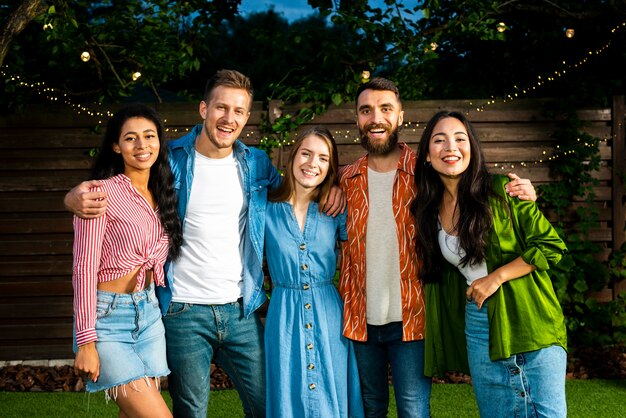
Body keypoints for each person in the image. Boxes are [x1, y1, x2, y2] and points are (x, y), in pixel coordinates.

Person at [65, 69, 345, 418]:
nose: (229, 118)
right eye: (220, 108)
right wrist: (75, 196)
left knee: (267, 406)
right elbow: (125, 183)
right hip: (183, 311)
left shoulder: (256, 164)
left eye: (239, 111)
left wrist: (333, 185)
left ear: (246, 117)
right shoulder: (170, 159)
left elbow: (295, 189)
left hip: (240, 309)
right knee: (191, 411)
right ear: (203, 109)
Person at [338, 77, 537, 418]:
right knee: (368, 409)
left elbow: (474, 187)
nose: (376, 118)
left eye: (386, 109)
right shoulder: (344, 180)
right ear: (357, 119)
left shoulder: (426, 173)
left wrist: (523, 193)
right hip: (359, 322)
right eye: (366, 110)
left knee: (414, 411)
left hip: (414, 320)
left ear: (400, 116)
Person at [412, 110, 568, 417]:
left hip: (528, 313)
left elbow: (551, 246)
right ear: (428, 156)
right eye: (439, 140)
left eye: (460, 138)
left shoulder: (503, 190)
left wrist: (496, 277)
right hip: (479, 320)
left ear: (472, 147)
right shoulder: (427, 211)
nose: (450, 147)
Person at [72, 104, 183, 417]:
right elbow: (83, 270)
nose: (142, 145)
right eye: (131, 138)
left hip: (148, 315)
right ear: (116, 146)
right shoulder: (98, 193)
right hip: (108, 319)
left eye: (149, 136)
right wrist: (86, 342)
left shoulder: (163, 193)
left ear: (159, 142)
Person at [264, 126, 364, 418]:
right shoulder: (264, 207)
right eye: (306, 154)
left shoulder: (336, 207)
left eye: (323, 158)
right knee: (287, 391)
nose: (312, 164)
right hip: (283, 313)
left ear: (330, 167)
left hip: (329, 312)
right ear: (293, 156)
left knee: (331, 393)